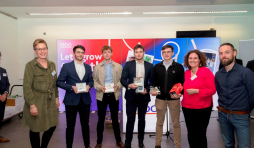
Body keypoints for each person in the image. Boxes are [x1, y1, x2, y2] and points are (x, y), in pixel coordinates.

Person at [215, 43, 254, 148]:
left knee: (244, 146)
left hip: (241, 116)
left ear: (234, 53)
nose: (224, 56)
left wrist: (245, 110)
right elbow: (220, 93)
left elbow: (252, 94)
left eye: (227, 52)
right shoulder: (218, 75)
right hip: (223, 115)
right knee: (228, 144)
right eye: (221, 53)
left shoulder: (246, 72)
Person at [23, 39, 59, 148]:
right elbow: (27, 87)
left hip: (50, 100)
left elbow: (54, 84)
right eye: (39, 49)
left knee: (52, 125)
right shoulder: (30, 65)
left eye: (44, 48)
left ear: (47, 49)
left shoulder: (52, 65)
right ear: (35, 51)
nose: (42, 51)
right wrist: (32, 105)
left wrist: (56, 98)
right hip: (36, 100)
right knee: (35, 128)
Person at [56, 45, 93, 148]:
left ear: (84, 54)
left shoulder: (88, 67)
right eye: (78, 52)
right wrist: (71, 87)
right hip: (71, 100)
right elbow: (59, 82)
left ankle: (87, 145)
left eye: (82, 52)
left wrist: (89, 86)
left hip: (85, 100)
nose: (80, 54)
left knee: (85, 125)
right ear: (74, 53)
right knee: (70, 126)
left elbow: (91, 80)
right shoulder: (67, 66)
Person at [151, 45, 184, 148]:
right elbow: (153, 81)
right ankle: (157, 144)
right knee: (159, 122)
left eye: (168, 52)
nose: (166, 54)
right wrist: (154, 90)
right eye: (164, 52)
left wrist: (180, 94)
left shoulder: (179, 67)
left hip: (174, 99)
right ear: (162, 53)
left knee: (176, 123)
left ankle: (177, 145)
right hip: (160, 99)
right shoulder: (157, 67)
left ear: (172, 53)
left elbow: (182, 82)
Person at [120, 44, 153, 148]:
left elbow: (152, 82)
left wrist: (146, 89)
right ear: (134, 53)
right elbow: (123, 79)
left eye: (140, 51)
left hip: (143, 96)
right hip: (131, 96)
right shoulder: (128, 64)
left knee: (142, 120)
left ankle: (140, 141)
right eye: (136, 52)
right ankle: (128, 142)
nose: (138, 54)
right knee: (130, 120)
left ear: (143, 53)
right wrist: (129, 85)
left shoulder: (150, 65)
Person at [182, 50, 216, 148]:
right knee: (191, 133)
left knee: (200, 133)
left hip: (203, 108)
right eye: (190, 58)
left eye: (195, 58)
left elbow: (212, 90)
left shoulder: (206, 71)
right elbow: (183, 88)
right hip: (187, 107)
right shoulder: (186, 73)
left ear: (200, 60)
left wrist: (197, 91)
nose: (192, 60)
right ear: (187, 60)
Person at [93, 46, 124, 148]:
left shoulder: (119, 66)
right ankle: (98, 142)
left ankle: (118, 141)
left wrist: (117, 86)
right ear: (102, 54)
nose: (107, 54)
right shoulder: (97, 67)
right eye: (105, 52)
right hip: (102, 95)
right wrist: (99, 87)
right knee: (100, 120)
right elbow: (94, 81)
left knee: (115, 120)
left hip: (114, 95)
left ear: (112, 53)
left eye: (108, 52)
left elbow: (122, 80)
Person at [0, 51, 10, 143]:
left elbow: (7, 84)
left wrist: (5, 93)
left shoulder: (3, 70)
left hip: (2, 99)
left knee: (0, 117)